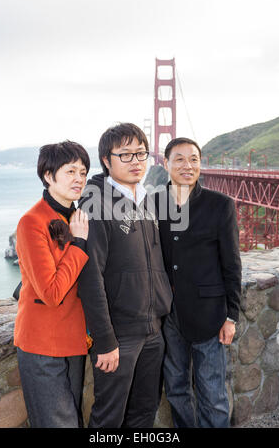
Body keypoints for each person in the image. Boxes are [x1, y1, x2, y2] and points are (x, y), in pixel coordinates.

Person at [77, 122, 172, 428]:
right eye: (126, 155)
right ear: (106, 159)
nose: (136, 161)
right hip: (119, 334)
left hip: (153, 329)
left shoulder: (145, 200)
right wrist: (105, 340)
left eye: (141, 153)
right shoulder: (95, 203)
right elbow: (90, 278)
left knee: (144, 411)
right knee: (109, 417)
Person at [155, 137, 242, 428]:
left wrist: (232, 316)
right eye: (179, 159)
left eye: (194, 159)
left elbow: (231, 264)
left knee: (212, 392)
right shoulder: (153, 202)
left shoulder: (221, 205)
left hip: (210, 315)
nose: (187, 165)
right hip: (169, 315)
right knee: (177, 388)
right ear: (165, 164)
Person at [14, 140, 91, 428]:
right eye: (70, 171)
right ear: (49, 176)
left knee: (72, 421)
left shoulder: (77, 217)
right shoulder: (31, 222)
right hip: (42, 343)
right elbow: (51, 292)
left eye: (82, 172)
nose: (79, 179)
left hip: (74, 340)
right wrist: (79, 244)